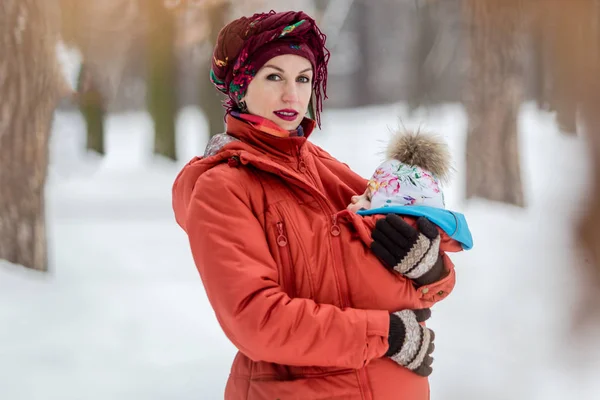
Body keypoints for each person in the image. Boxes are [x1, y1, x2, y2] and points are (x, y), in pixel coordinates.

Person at [172, 10, 458, 400]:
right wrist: (388, 335)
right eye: (274, 76)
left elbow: (414, 266)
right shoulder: (222, 189)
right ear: (241, 85)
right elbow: (258, 321)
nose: (292, 94)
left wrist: (429, 268)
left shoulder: (320, 166)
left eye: (303, 78)